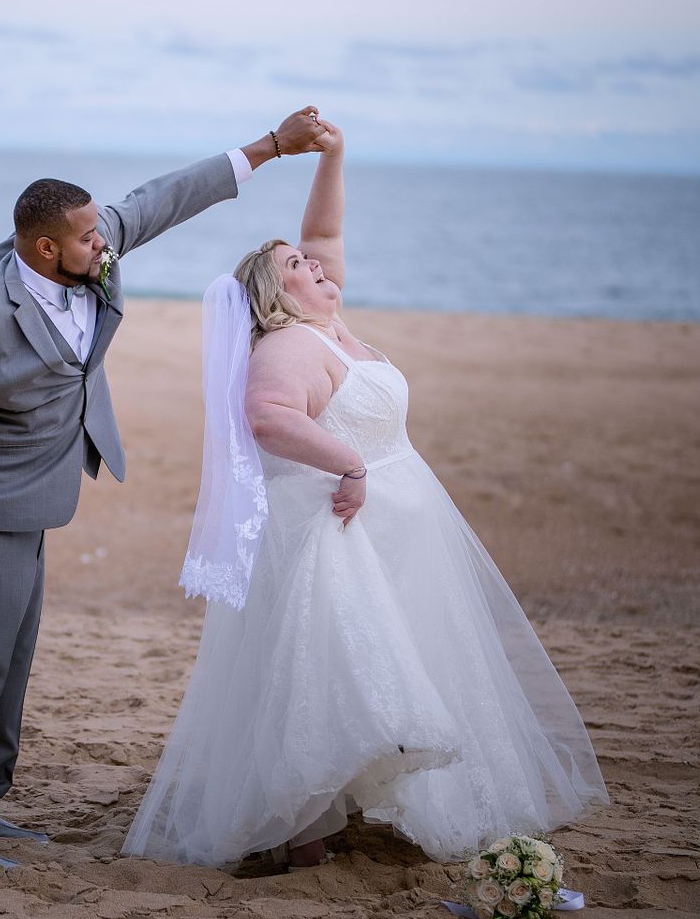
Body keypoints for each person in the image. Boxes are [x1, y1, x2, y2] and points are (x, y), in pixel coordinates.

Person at [0, 107, 334, 879]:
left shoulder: (84, 249)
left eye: (101, 234)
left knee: (9, 666)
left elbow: (166, 197)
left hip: (33, 498)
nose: (105, 245)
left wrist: (270, 147)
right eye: (90, 239)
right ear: (45, 248)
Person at [122, 120, 608, 870]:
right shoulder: (287, 345)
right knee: (330, 679)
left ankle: (341, 813)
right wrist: (350, 464)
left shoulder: (332, 322)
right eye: (297, 264)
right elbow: (267, 419)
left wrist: (336, 154)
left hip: (400, 525)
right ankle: (303, 830)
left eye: (314, 261)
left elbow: (324, 228)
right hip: (333, 529)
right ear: (274, 293)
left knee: (393, 664)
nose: (316, 264)